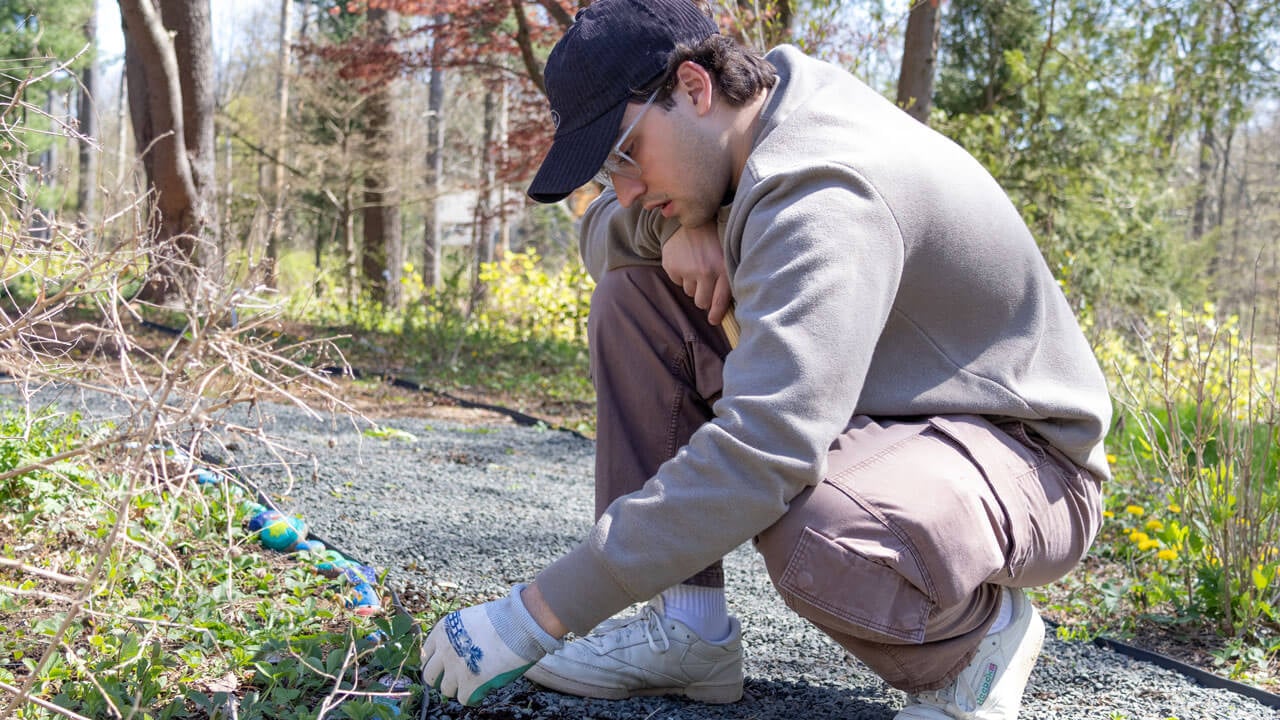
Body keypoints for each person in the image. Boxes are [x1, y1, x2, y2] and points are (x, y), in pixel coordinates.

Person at [419, 0, 1112, 717]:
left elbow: (766, 451)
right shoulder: (748, 131)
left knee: (814, 523)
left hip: (1027, 460)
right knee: (634, 300)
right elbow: (602, 237)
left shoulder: (826, 189)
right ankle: (689, 630)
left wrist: (535, 613)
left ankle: (975, 645)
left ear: (694, 87)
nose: (623, 191)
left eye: (624, 156)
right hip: (895, 423)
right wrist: (680, 227)